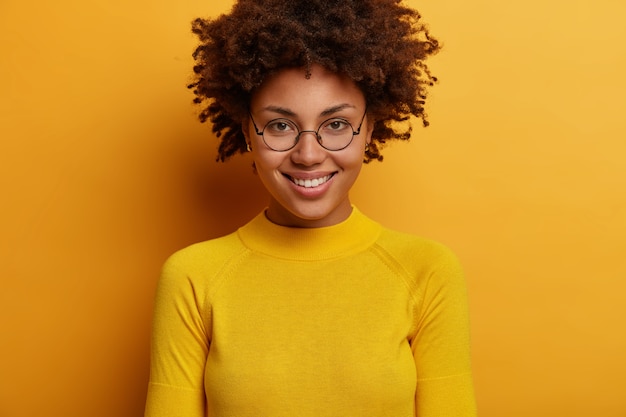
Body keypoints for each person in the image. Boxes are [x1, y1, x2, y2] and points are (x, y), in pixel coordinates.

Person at [145, 0, 477, 416]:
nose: (308, 154)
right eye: (280, 125)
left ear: (368, 130)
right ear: (248, 131)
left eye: (335, 124)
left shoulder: (427, 271)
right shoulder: (193, 277)